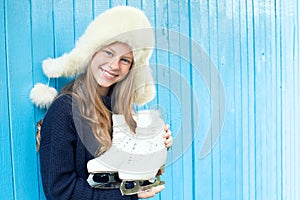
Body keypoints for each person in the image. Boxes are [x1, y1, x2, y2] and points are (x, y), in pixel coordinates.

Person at [30, 6, 173, 200]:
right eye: (108, 52)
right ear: (92, 51)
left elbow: (133, 173)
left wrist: (155, 146)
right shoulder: (64, 110)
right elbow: (60, 192)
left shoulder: (123, 112)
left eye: (125, 60)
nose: (114, 65)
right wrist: (128, 196)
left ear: (132, 68)